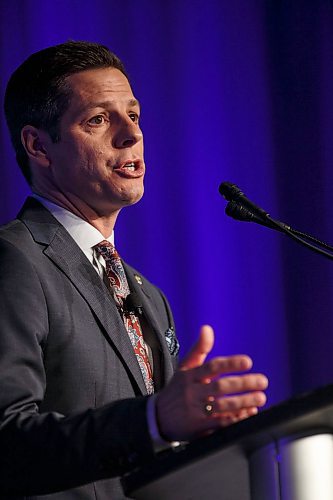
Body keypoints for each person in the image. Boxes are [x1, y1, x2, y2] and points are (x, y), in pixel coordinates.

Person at [0, 41, 268, 499]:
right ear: (38, 146)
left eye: (134, 116)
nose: (131, 135)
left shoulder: (148, 295)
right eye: (99, 120)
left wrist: (198, 434)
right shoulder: (15, 261)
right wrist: (154, 420)